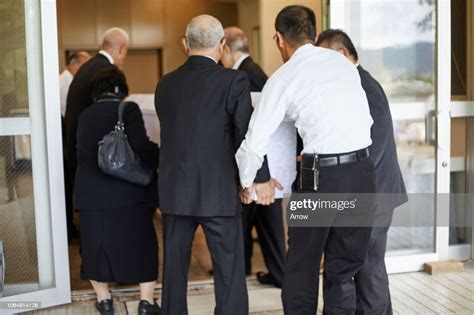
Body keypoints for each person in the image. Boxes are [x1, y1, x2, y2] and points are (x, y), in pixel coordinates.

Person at [236, 5, 376, 314]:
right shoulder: (344, 66)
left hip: (320, 179)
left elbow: (254, 140)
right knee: (343, 271)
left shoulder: (284, 78)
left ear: (278, 39)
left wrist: (248, 184)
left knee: (302, 266)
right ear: (313, 34)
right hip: (364, 174)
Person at [155, 15, 276, 315]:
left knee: (173, 273)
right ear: (222, 46)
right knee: (229, 272)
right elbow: (244, 135)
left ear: (185, 44)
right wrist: (255, 181)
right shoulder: (233, 80)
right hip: (219, 191)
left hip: (175, 192)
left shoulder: (165, 85)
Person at [317, 29, 408, 315]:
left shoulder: (363, 86)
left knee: (368, 270)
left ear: (342, 54)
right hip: (370, 194)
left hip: (375, 194)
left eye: (324, 60)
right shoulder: (355, 83)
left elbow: (374, 146)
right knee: (368, 268)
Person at [75, 68, 160, 315]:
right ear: (121, 88)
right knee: (142, 244)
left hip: (91, 194)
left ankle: (104, 302)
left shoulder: (84, 115)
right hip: (127, 194)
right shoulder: (127, 109)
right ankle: (145, 303)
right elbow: (141, 146)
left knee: (96, 248)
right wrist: (162, 157)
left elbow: (76, 151)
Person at [220, 26, 285, 287]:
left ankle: (258, 273)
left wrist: (261, 173)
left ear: (225, 48)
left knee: (261, 223)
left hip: (259, 163)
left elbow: (255, 125)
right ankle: (261, 272)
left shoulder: (247, 75)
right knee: (259, 223)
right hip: (259, 164)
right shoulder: (250, 71)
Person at [65, 27, 129, 195]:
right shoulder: (106, 71)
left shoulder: (87, 67)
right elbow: (108, 114)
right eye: (126, 52)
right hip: (90, 156)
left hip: (74, 147)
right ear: (121, 49)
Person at [59, 50, 91, 242]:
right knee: (66, 187)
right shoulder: (64, 82)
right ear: (75, 64)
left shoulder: (69, 81)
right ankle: (68, 229)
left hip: (68, 139)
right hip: (63, 140)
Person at [59, 51, 91, 118]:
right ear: (73, 63)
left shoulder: (74, 81)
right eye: (85, 66)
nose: (88, 70)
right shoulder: (61, 83)